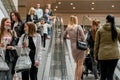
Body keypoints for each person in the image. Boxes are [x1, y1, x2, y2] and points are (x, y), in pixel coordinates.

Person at [94, 14, 120, 80]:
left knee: (103, 76)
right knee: (110, 76)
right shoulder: (117, 30)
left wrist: (95, 56)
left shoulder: (100, 30)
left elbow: (96, 44)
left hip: (102, 55)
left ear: (106, 20)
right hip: (114, 55)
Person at [64, 15, 85, 80]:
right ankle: (78, 79)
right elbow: (83, 38)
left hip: (73, 47)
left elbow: (64, 36)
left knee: (77, 64)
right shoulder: (78, 27)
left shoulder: (68, 28)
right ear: (76, 20)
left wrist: (70, 38)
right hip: (80, 47)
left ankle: (75, 78)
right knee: (80, 64)